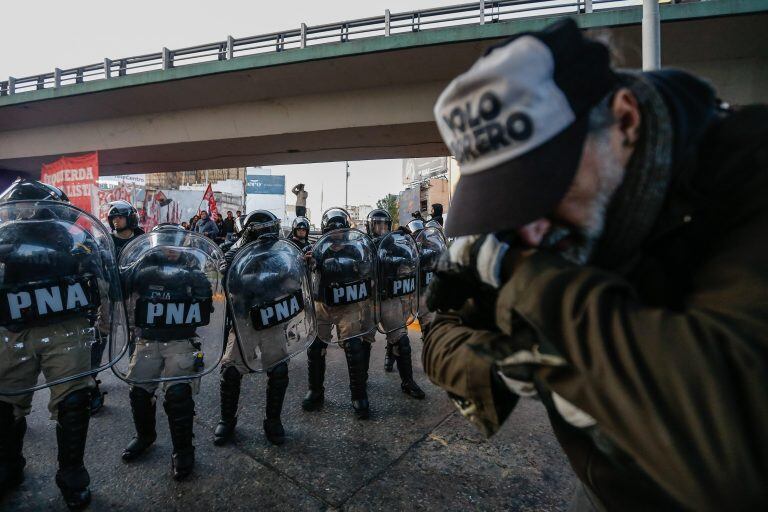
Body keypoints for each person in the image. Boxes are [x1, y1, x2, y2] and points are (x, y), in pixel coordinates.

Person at [422, 19, 768, 511]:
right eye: (507, 199)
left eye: (546, 186)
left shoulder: (747, 171)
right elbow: (441, 329)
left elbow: (738, 443)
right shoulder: (526, 224)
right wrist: (499, 366)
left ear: (624, 120)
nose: (531, 231)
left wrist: (527, 283)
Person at [0, 179, 124, 509]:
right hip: (14, 328)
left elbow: (100, 277)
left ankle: (72, 473)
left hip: (65, 328)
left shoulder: (76, 239)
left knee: (73, 400)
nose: (26, 214)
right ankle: (9, 464)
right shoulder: (2, 239)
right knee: (4, 400)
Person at [120, 225, 214, 480]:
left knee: (179, 394)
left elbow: (207, 307)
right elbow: (119, 287)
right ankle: (145, 436)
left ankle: (183, 450)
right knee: (139, 391)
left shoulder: (193, 269)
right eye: (166, 244)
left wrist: (197, 284)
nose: (171, 249)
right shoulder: (142, 268)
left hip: (181, 340)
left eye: (176, 244)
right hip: (148, 340)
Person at [214, 211, 292, 446]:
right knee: (230, 370)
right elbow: (226, 273)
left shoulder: (280, 253)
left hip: (271, 318)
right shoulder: (235, 251)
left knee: (278, 370)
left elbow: (291, 278)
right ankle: (227, 420)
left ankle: (273, 420)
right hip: (244, 320)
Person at [302, 207, 375, 419]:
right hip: (322, 303)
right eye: (332, 233)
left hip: (348, 304)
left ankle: (359, 395)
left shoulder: (355, 249)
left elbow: (365, 270)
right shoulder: (314, 248)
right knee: (316, 348)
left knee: (353, 347)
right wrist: (307, 261)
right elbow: (303, 272)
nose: (337, 237)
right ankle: (315, 392)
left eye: (340, 232)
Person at [363, 209, 424, 398]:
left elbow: (409, 260)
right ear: (370, 226)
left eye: (385, 225)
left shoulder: (394, 244)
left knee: (401, 340)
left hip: (390, 299)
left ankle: (408, 382)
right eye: (377, 224)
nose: (381, 228)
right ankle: (360, 380)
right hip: (369, 301)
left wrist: (407, 240)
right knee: (362, 343)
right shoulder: (362, 244)